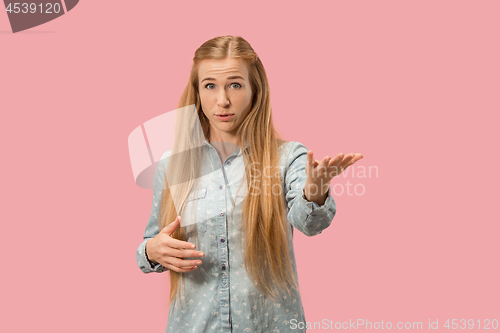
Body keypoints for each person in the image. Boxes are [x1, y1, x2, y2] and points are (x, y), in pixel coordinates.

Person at [136, 35, 363, 332]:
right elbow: (148, 246)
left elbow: (310, 224)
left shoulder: (287, 157)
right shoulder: (172, 164)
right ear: (197, 93)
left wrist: (315, 190)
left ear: (255, 90)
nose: (223, 100)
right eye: (210, 86)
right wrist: (153, 251)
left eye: (235, 85)